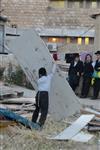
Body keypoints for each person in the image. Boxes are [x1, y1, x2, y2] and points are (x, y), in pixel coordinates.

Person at [32, 64, 56, 129]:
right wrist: (54, 64)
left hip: (39, 94)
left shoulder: (39, 80)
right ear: (45, 73)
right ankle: (40, 124)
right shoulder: (49, 77)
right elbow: (53, 72)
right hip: (45, 95)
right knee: (44, 110)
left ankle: (33, 121)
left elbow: (40, 80)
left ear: (40, 74)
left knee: (37, 108)